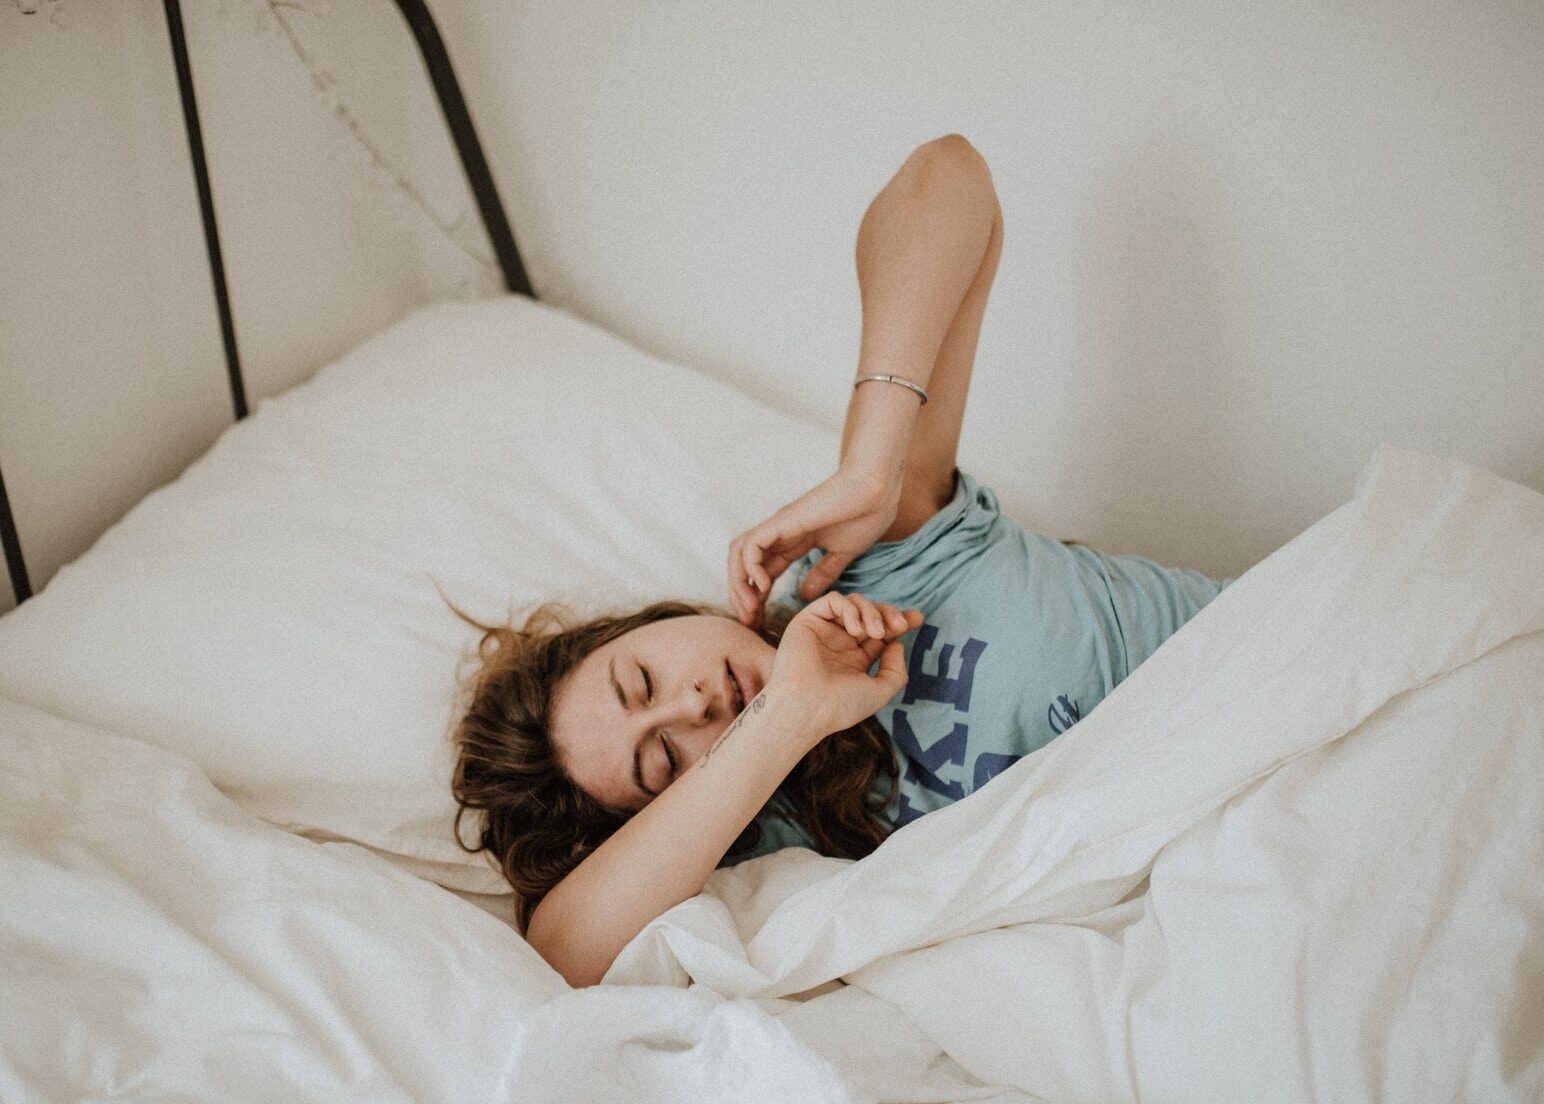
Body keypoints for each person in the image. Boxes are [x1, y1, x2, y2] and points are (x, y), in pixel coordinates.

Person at [449, 135, 1228, 988]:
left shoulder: (880, 563)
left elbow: (951, 177)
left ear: (657, 624)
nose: (694, 702)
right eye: (665, 759)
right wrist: (785, 718)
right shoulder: (786, 841)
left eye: (642, 680)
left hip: (1278, 675)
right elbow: (565, 953)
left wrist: (872, 463)